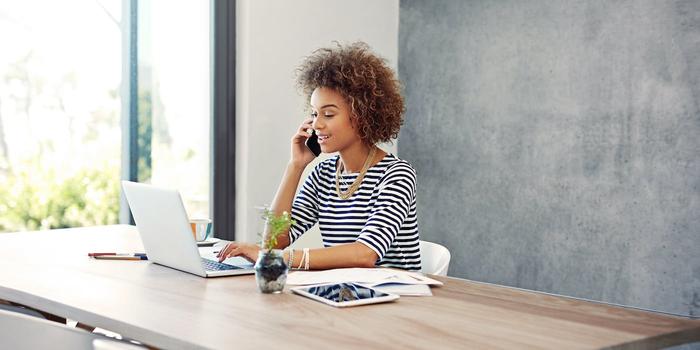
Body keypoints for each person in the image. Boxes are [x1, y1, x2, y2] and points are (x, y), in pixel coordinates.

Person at [217, 42, 420, 271]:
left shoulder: (396, 175)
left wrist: (281, 259)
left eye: (328, 114)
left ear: (363, 115)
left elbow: (365, 253)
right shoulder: (323, 175)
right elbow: (274, 242)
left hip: (395, 298)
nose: (316, 123)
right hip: (344, 296)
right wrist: (295, 167)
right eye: (314, 113)